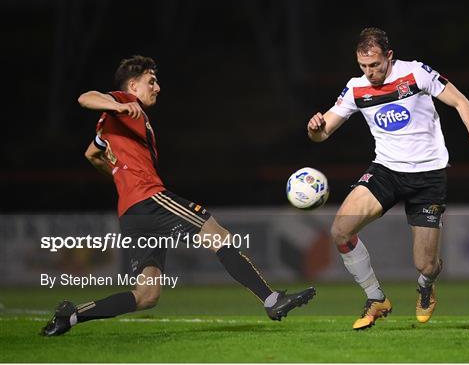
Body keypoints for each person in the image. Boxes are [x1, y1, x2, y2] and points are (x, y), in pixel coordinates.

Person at [41, 55, 315, 336]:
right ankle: (272, 300)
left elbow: (92, 154)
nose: (157, 87)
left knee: (146, 295)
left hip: (131, 211)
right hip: (150, 198)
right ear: (133, 85)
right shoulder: (125, 103)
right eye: (151, 81)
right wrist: (117, 104)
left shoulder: (111, 124)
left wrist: (119, 176)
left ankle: (71, 316)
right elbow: (86, 97)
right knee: (217, 235)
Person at [307, 28, 469, 330]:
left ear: (389, 56)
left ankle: (426, 284)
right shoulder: (356, 88)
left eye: (375, 65)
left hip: (428, 175)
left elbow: (460, 102)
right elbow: (323, 132)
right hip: (386, 171)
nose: (370, 72)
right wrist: (314, 129)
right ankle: (375, 297)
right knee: (340, 230)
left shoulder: (416, 73)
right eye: (363, 66)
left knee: (425, 264)